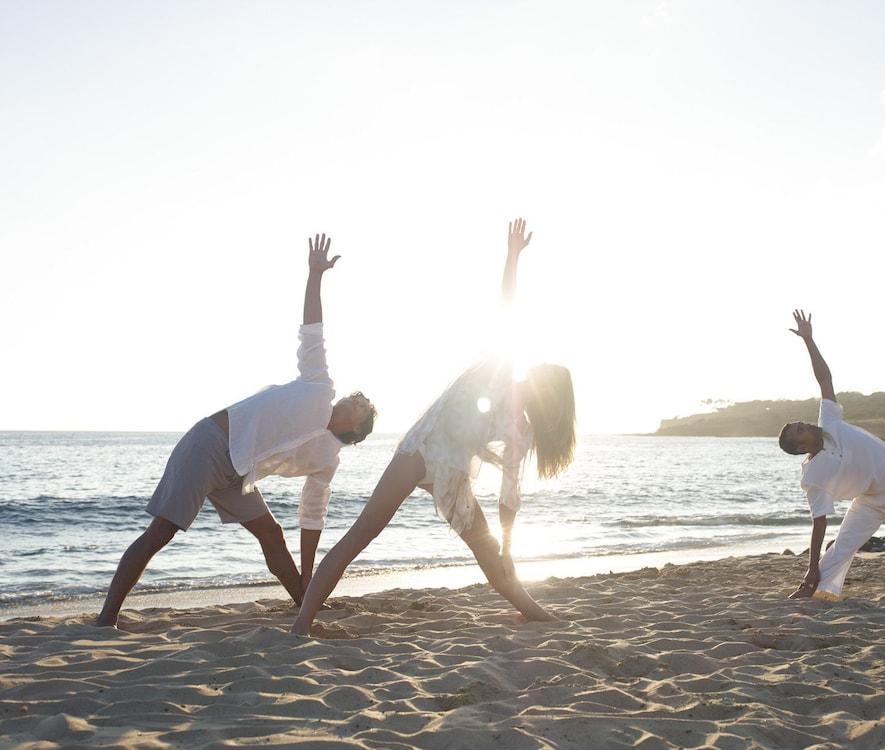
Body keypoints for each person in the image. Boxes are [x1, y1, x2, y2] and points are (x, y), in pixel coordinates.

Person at [291, 218, 576, 635]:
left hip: (454, 475)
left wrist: (511, 549)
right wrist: (512, 257)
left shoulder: (523, 431)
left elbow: (509, 495)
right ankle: (301, 627)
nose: (532, 373)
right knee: (360, 535)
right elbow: (507, 308)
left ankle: (536, 613)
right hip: (420, 453)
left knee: (490, 554)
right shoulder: (500, 366)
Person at [95, 234, 377, 627]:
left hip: (237, 472)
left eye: (361, 406)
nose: (354, 399)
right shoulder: (319, 385)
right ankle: (107, 618)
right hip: (210, 445)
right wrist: (315, 277)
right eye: (357, 398)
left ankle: (303, 600)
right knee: (162, 532)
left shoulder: (328, 459)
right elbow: (312, 329)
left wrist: (313, 582)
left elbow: (312, 516)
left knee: (272, 534)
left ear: (357, 427)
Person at [779, 310, 885, 600]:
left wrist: (809, 341)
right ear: (801, 447)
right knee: (842, 547)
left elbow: (824, 379)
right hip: (871, 502)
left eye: (801, 423)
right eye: (800, 430)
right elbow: (819, 523)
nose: (806, 424)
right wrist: (811, 566)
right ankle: (813, 588)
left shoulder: (830, 423)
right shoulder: (813, 476)